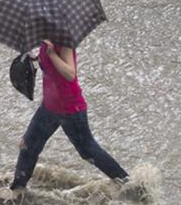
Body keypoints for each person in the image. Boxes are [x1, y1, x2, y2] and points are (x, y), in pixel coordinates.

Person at [10, 39, 128, 191]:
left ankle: (127, 184)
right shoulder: (45, 39)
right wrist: (35, 57)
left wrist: (52, 54)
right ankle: (17, 191)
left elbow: (70, 73)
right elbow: (49, 67)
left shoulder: (64, 40)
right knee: (27, 145)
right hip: (49, 106)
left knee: (87, 151)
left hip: (70, 108)